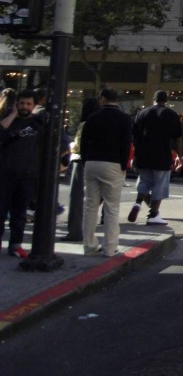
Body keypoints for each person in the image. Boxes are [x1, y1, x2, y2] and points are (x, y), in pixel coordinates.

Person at [80, 88, 132, 257]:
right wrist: (123, 165)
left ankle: (89, 245)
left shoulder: (93, 117)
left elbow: (84, 142)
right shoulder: (124, 119)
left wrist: (86, 159)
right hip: (113, 163)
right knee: (111, 207)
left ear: (102, 99)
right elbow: (126, 144)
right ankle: (110, 247)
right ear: (116, 99)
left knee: (90, 206)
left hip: (92, 162)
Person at [0, 89, 46, 258]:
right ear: (16, 104)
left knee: (19, 215)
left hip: (27, 175)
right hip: (5, 174)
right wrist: (12, 114)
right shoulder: (8, 120)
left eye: (28, 104)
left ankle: (15, 245)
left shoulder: (39, 124)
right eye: (22, 103)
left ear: (34, 105)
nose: (25, 107)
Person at [128, 90, 182, 227]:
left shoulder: (142, 113)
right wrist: (178, 156)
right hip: (162, 154)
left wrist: (135, 156)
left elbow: (135, 136)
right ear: (166, 100)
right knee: (160, 184)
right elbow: (176, 137)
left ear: (154, 99)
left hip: (144, 154)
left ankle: (137, 203)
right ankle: (153, 214)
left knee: (145, 181)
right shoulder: (171, 114)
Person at [63, 97, 100, 242]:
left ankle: (75, 231)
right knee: (92, 200)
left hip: (80, 161)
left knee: (76, 198)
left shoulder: (85, 124)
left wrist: (71, 146)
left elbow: (78, 145)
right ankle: (88, 232)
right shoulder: (100, 123)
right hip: (97, 161)